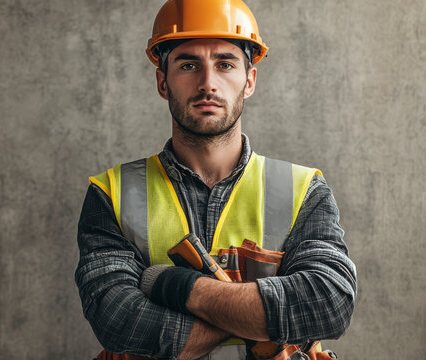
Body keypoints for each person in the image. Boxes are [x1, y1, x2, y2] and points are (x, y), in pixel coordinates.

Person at [75, 1, 357, 359]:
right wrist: (260, 321)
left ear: (249, 80)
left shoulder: (303, 190)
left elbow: (329, 304)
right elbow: (118, 320)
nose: (208, 83)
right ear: (163, 81)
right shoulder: (112, 193)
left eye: (225, 64)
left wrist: (179, 287)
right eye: (188, 65)